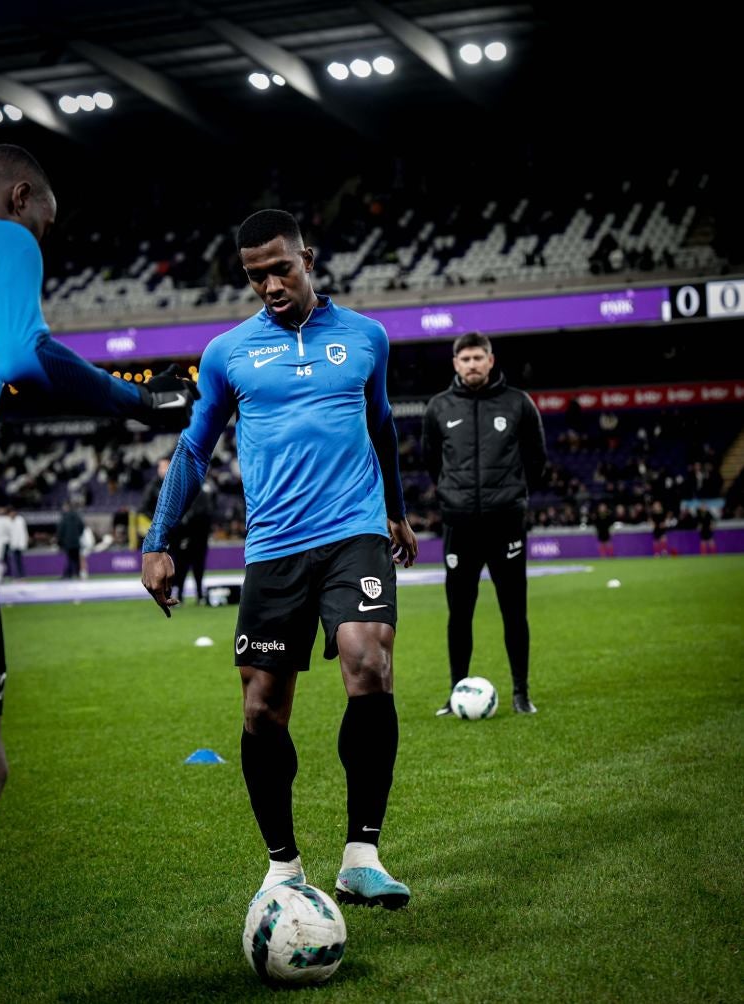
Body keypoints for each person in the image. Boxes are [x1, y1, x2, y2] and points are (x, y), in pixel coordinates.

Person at [0, 144, 198, 930]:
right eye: (45, 228)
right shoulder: (2, 237)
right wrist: (138, 399)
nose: (41, 246)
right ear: (20, 197)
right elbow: (25, 352)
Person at [142, 209, 417, 910]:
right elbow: (195, 448)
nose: (268, 284)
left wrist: (397, 510)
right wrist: (158, 538)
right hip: (273, 546)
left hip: (353, 529)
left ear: (308, 259)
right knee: (263, 708)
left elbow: (380, 425)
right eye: (254, 275)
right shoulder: (228, 353)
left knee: (368, 658)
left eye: (279, 268)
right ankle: (283, 865)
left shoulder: (365, 337)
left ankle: (361, 854)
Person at [422, 332, 546, 717]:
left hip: (506, 524)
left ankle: (521, 693)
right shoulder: (439, 407)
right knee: (459, 614)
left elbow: (536, 459)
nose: (472, 364)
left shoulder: (518, 403)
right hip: (460, 526)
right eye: (465, 359)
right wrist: (452, 495)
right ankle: (455, 691)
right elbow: (431, 462)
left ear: (491, 360)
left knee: (514, 611)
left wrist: (512, 497)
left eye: (479, 357)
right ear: (455, 364)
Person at [171, 482, 214, 604]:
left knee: (196, 569)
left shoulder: (202, 495)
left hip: (196, 540)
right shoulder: (182, 496)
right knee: (182, 570)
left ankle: (198, 595)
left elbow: (206, 517)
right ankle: (182, 595)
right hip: (185, 540)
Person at [57, 502, 84, 579]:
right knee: (76, 558)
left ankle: (69, 574)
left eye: (64, 507)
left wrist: (60, 540)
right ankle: (78, 573)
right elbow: (82, 527)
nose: (63, 509)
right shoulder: (77, 516)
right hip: (76, 541)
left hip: (68, 542)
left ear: (67, 507)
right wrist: (77, 535)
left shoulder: (64, 517)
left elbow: (60, 530)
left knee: (70, 558)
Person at [7, 508, 29, 579]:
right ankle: (16, 575)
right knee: (14, 560)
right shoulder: (7, 521)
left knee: (19, 560)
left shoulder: (20, 520)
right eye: (11, 513)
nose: (12, 514)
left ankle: (21, 574)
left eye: (14, 512)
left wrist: (25, 540)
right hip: (12, 543)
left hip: (20, 543)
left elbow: (24, 531)